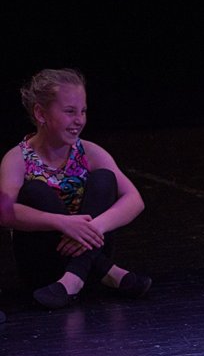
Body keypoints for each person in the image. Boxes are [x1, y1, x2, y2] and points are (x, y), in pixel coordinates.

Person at [0, 69, 152, 309]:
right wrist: (62, 223)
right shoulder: (18, 158)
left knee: (104, 179)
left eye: (83, 111)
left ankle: (74, 277)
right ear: (40, 113)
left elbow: (134, 200)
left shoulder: (90, 152)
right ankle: (108, 271)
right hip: (44, 269)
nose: (79, 120)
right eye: (70, 111)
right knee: (36, 191)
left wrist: (92, 228)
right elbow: (4, 212)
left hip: (88, 256)